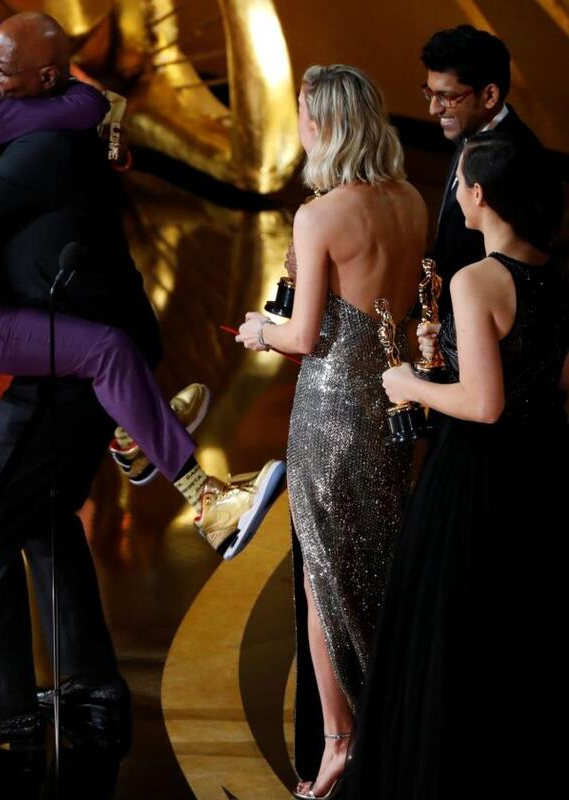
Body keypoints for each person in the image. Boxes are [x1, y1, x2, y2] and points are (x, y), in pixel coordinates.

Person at [0, 12, 285, 750]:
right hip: (85, 337)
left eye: (2, 74)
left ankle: (9, 712)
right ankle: (93, 686)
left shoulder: (39, 146)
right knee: (46, 515)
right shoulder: (31, 116)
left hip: (68, 358)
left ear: (44, 79)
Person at [343, 130, 569, 799]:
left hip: (475, 478)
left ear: (479, 195)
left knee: (451, 637)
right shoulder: (554, 275)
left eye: (460, 182)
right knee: (521, 638)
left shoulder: (477, 279)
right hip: (543, 473)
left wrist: (409, 383)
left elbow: (484, 403)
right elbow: (553, 384)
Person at [235, 65, 427, 799]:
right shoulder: (409, 200)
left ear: (325, 126)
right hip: (389, 405)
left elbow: (303, 334)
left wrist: (260, 329)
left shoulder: (319, 217)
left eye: (306, 119)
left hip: (327, 414)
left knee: (324, 577)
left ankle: (343, 742)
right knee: (377, 567)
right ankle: (393, 726)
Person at [421, 24, 563, 316]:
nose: (434, 109)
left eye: (447, 96)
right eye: (430, 93)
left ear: (489, 96)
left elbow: (528, 277)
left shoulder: (526, 164)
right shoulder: (468, 133)